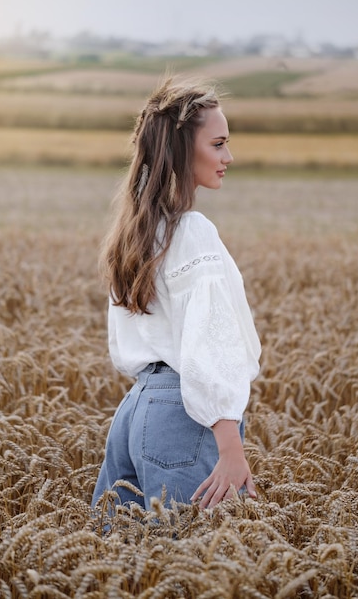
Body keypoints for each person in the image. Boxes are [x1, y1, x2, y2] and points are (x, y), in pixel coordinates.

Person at [91, 77, 261, 512]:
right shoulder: (192, 231)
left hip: (135, 411)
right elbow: (209, 340)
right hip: (185, 416)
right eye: (218, 143)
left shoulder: (137, 232)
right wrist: (230, 446)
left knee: (123, 565)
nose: (228, 157)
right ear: (185, 150)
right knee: (191, 563)